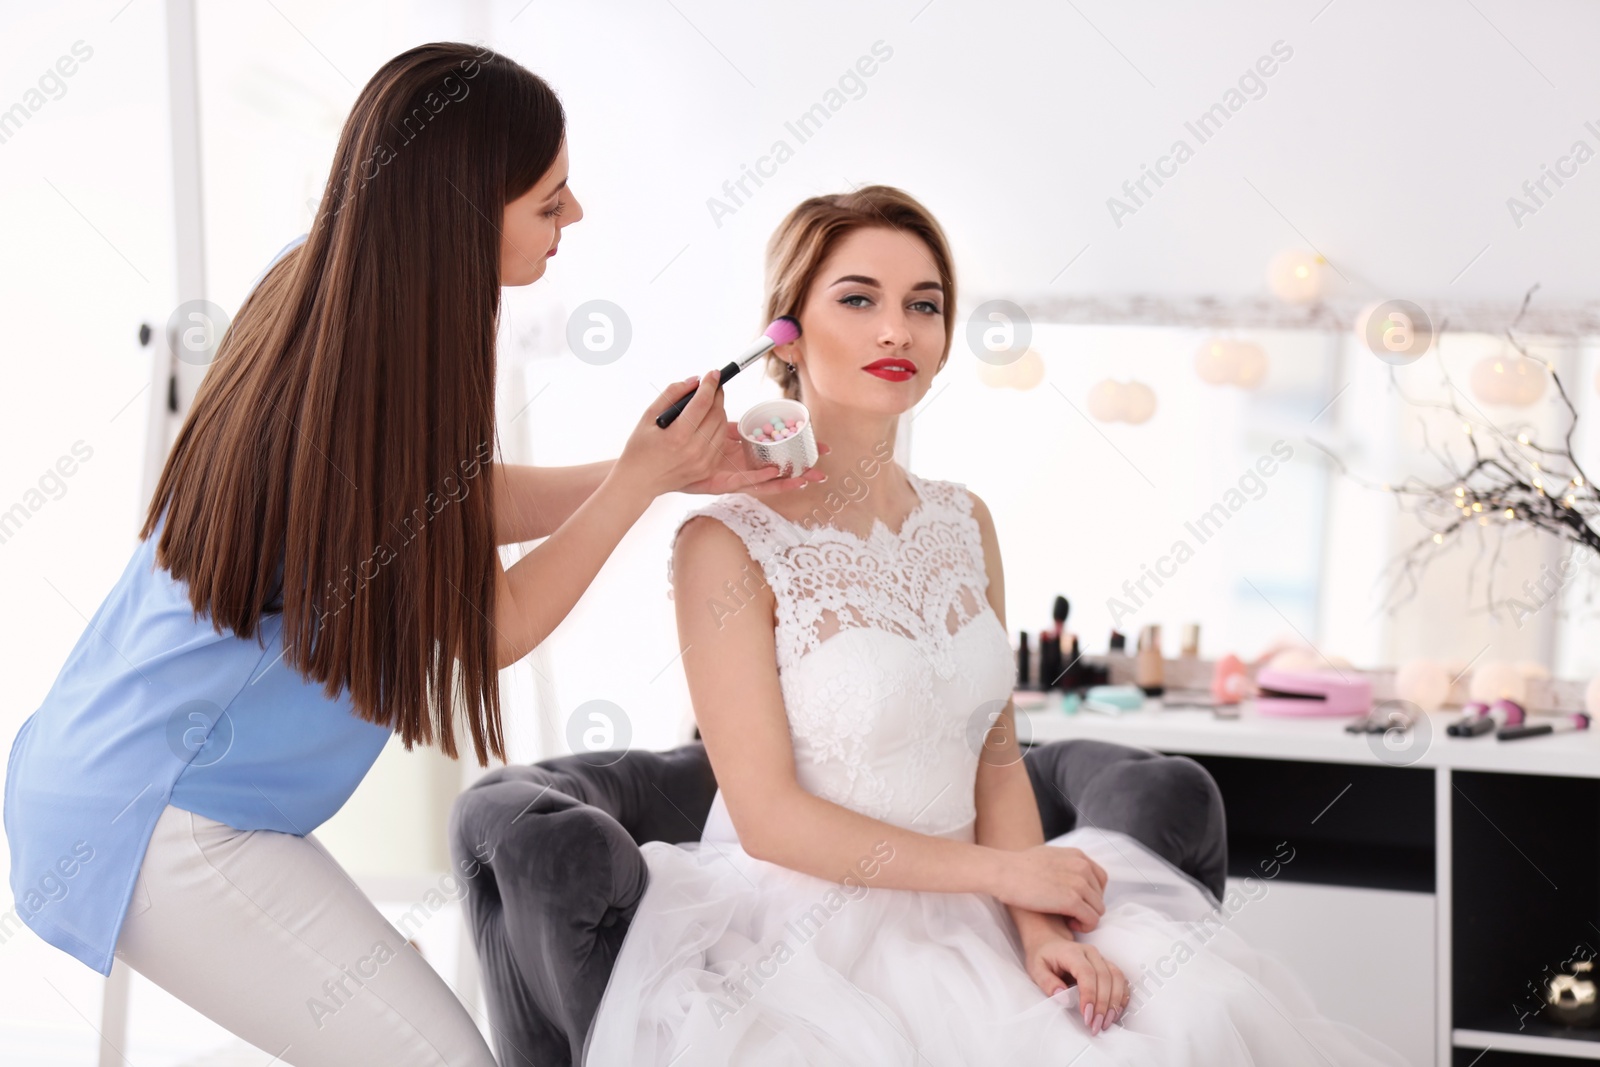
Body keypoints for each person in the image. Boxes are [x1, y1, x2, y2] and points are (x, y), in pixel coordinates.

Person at [2, 42, 824, 1067]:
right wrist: (637, 483)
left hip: (103, 755)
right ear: (467, 208)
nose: (575, 218)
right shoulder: (365, 390)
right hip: (164, 815)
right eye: (550, 199)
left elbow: (441, 506)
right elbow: (496, 626)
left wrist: (653, 468)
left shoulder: (328, 288)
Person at [580, 185, 1412, 1066]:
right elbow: (770, 820)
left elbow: (997, 759)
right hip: (811, 937)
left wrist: (1034, 925)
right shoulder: (722, 541)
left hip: (984, 900)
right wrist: (1004, 875)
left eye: (923, 305)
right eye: (858, 298)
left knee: (1198, 1017)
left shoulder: (962, 519)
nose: (896, 330)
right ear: (784, 330)